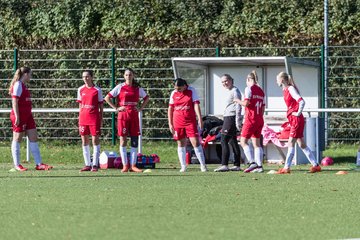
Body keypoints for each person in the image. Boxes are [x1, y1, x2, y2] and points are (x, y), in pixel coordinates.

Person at [104, 68, 149, 173]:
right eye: (126, 75)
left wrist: (140, 108)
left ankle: (133, 165)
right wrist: (116, 108)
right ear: (124, 76)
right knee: (123, 140)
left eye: (130, 75)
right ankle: (125, 165)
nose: (128, 76)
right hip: (123, 116)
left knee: (134, 140)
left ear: (133, 76)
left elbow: (147, 98)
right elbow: (107, 98)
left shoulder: (137, 88)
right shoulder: (120, 87)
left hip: (133, 116)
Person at [275, 72, 321, 174]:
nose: (276, 81)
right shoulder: (286, 90)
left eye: (277, 79)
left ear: (282, 80)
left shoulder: (290, 89)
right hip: (293, 119)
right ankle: (316, 165)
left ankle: (286, 168)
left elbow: (301, 101)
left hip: (296, 119)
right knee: (301, 143)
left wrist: (297, 113)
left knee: (291, 142)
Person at [9, 67, 53, 171]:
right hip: (19, 115)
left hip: (28, 115)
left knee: (33, 137)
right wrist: (17, 116)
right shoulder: (18, 85)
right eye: (30, 74)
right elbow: (14, 101)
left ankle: (39, 164)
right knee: (17, 138)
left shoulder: (23, 85)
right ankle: (17, 165)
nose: (31, 76)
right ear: (25, 74)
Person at [168, 78, 208, 172]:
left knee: (195, 142)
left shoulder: (191, 90)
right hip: (178, 121)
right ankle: (183, 166)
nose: (177, 90)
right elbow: (170, 108)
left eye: (179, 88)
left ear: (185, 86)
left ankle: (203, 165)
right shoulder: (173, 93)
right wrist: (170, 123)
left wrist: (200, 118)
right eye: (176, 88)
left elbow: (196, 104)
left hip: (190, 121)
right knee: (180, 143)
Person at [234, 70, 265, 173]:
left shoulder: (248, 89)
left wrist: (237, 100)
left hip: (250, 119)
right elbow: (263, 108)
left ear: (248, 80)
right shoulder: (261, 91)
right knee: (257, 143)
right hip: (259, 119)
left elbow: (246, 103)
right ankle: (259, 166)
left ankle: (252, 163)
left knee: (243, 142)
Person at [214, 74, 243, 172]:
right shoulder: (229, 91)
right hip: (227, 116)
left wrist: (238, 121)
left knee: (223, 139)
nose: (224, 83)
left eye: (226, 81)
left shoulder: (235, 91)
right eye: (222, 82)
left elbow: (238, 106)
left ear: (231, 80)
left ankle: (224, 164)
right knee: (232, 140)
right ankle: (237, 165)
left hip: (231, 117)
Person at [77, 70, 104, 172]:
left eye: (87, 76)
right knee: (84, 140)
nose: (85, 79)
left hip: (94, 119)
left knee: (95, 140)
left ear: (92, 77)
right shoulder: (80, 89)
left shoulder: (97, 90)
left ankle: (95, 165)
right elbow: (80, 105)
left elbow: (101, 106)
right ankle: (87, 164)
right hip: (83, 118)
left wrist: (101, 119)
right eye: (83, 77)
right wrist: (79, 118)